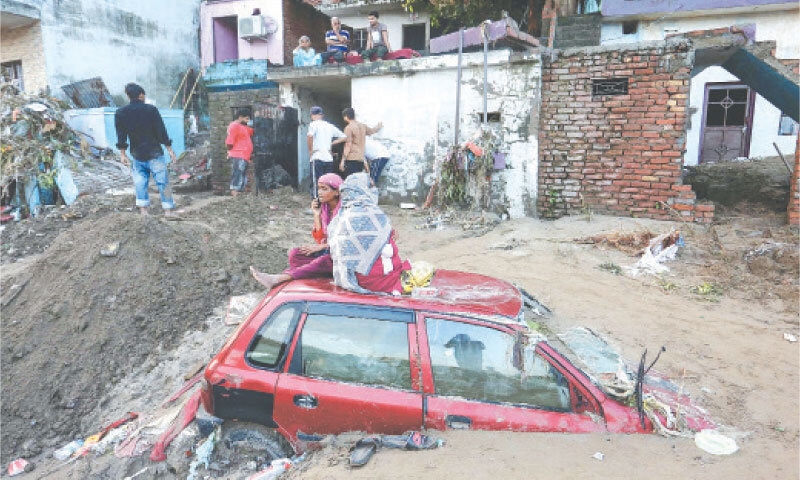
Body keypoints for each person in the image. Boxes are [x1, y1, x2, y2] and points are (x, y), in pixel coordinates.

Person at [250, 173, 343, 290]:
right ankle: (313, 270)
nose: (319, 192)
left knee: (324, 260)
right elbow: (319, 238)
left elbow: (346, 241)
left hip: (340, 256)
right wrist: (316, 214)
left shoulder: (345, 212)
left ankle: (280, 278)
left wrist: (322, 247)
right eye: (319, 188)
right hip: (326, 250)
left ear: (337, 192)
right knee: (295, 254)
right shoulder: (324, 209)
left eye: (324, 189)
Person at [328, 172, 411, 295]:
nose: (374, 190)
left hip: (353, 278)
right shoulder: (369, 214)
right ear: (362, 190)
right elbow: (388, 251)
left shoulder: (341, 216)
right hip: (379, 281)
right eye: (371, 187)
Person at [114, 82, 178, 217]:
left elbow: (121, 136)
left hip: (137, 155)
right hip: (155, 153)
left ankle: (144, 211)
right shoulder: (151, 110)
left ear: (128, 95)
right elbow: (161, 131)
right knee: (163, 183)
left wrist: (123, 154)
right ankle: (168, 211)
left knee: (140, 183)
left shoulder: (121, 113)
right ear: (141, 95)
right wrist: (170, 149)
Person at [307, 106, 347, 197]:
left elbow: (309, 136)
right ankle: (327, 204)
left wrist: (310, 151)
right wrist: (332, 143)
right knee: (327, 182)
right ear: (322, 115)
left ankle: (317, 203)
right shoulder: (329, 126)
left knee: (317, 182)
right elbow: (344, 137)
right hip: (329, 159)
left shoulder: (313, 124)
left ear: (312, 115)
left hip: (317, 157)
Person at [340, 107, 382, 179]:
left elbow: (348, 144)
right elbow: (372, 131)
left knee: (350, 181)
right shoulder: (363, 126)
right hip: (360, 159)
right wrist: (378, 127)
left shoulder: (348, 128)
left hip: (351, 158)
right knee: (357, 181)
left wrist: (342, 161)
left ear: (346, 117)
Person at [226, 108, 254, 197]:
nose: (248, 120)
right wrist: (231, 152)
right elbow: (229, 142)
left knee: (242, 175)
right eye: (246, 118)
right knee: (237, 173)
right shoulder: (234, 126)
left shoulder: (244, 127)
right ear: (240, 117)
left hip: (244, 156)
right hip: (238, 155)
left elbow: (252, 132)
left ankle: (240, 193)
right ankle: (235, 193)